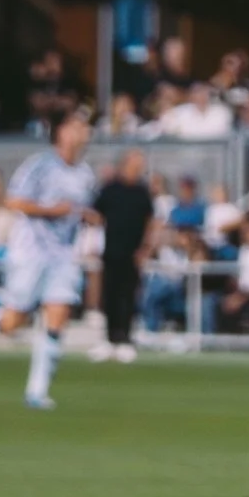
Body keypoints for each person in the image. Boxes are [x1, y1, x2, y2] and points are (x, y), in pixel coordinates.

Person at [0, 111, 96, 410]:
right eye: (77, 127)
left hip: (64, 255)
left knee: (57, 316)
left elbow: (78, 210)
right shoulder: (41, 165)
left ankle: (37, 391)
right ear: (62, 133)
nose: (84, 133)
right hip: (31, 252)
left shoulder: (85, 174)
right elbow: (14, 200)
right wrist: (51, 210)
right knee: (14, 320)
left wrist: (88, 217)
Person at [90, 149, 153, 363]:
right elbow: (95, 214)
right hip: (111, 251)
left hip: (133, 253)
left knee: (128, 296)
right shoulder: (110, 189)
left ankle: (125, 339)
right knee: (110, 295)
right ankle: (110, 339)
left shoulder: (142, 192)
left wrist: (145, 248)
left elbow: (150, 220)